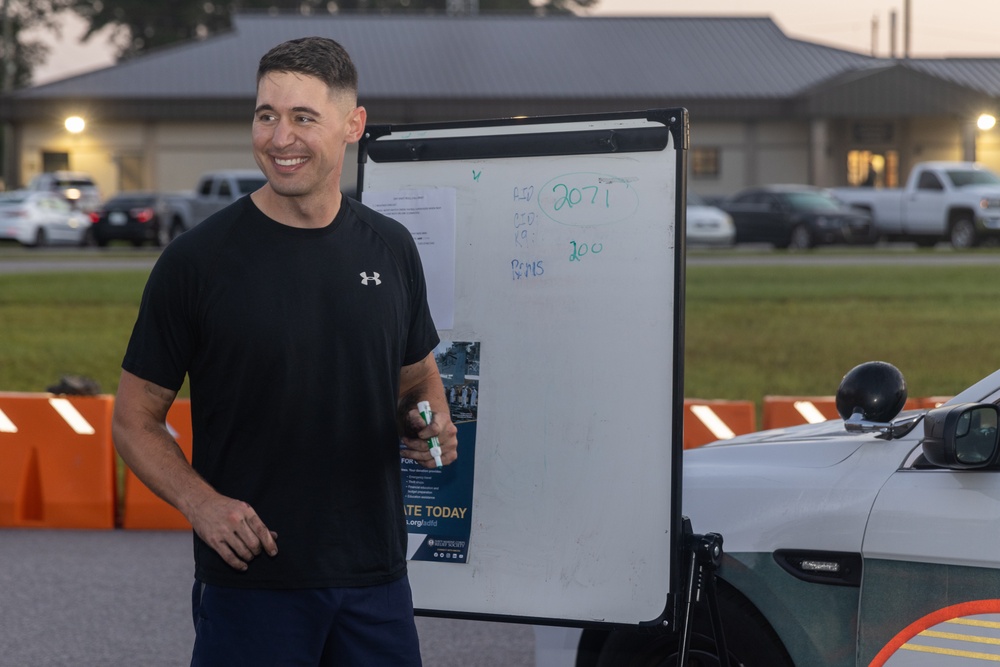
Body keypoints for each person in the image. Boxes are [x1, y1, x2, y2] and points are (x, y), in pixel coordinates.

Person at [112, 36, 458, 666]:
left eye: (303, 117)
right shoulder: (197, 262)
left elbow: (418, 381)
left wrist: (430, 422)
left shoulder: (391, 248)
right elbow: (134, 419)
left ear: (352, 125)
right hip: (252, 582)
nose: (279, 138)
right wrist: (202, 504)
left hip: (374, 580)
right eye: (266, 115)